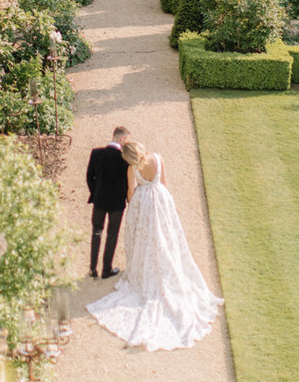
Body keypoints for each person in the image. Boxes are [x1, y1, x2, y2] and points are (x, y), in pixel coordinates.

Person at [86, 141, 224, 351]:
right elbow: (165, 184)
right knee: (166, 238)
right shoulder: (158, 158)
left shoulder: (133, 169)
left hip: (144, 204)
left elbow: (131, 196)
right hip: (161, 199)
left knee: (146, 239)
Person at [86, 125, 130, 279]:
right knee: (112, 234)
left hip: (99, 200)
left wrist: (95, 191)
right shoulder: (125, 159)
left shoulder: (97, 153)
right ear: (122, 138)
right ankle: (106, 269)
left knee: (97, 232)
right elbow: (128, 183)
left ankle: (92, 268)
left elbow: (89, 177)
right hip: (117, 203)